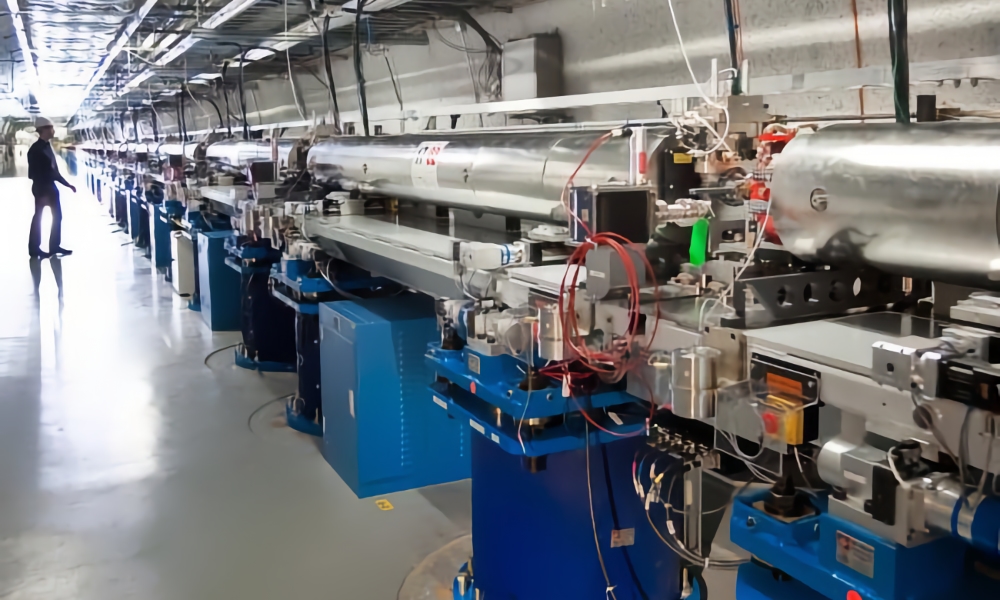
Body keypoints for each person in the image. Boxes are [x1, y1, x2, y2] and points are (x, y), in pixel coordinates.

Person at [28, 116, 75, 258]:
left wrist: (65, 184)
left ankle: (54, 246)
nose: (53, 131)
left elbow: (53, 170)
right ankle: (34, 248)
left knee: (57, 217)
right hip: (43, 188)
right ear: (44, 130)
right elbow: (43, 172)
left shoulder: (46, 146)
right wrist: (66, 184)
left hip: (50, 187)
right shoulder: (36, 150)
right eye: (51, 128)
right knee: (39, 217)